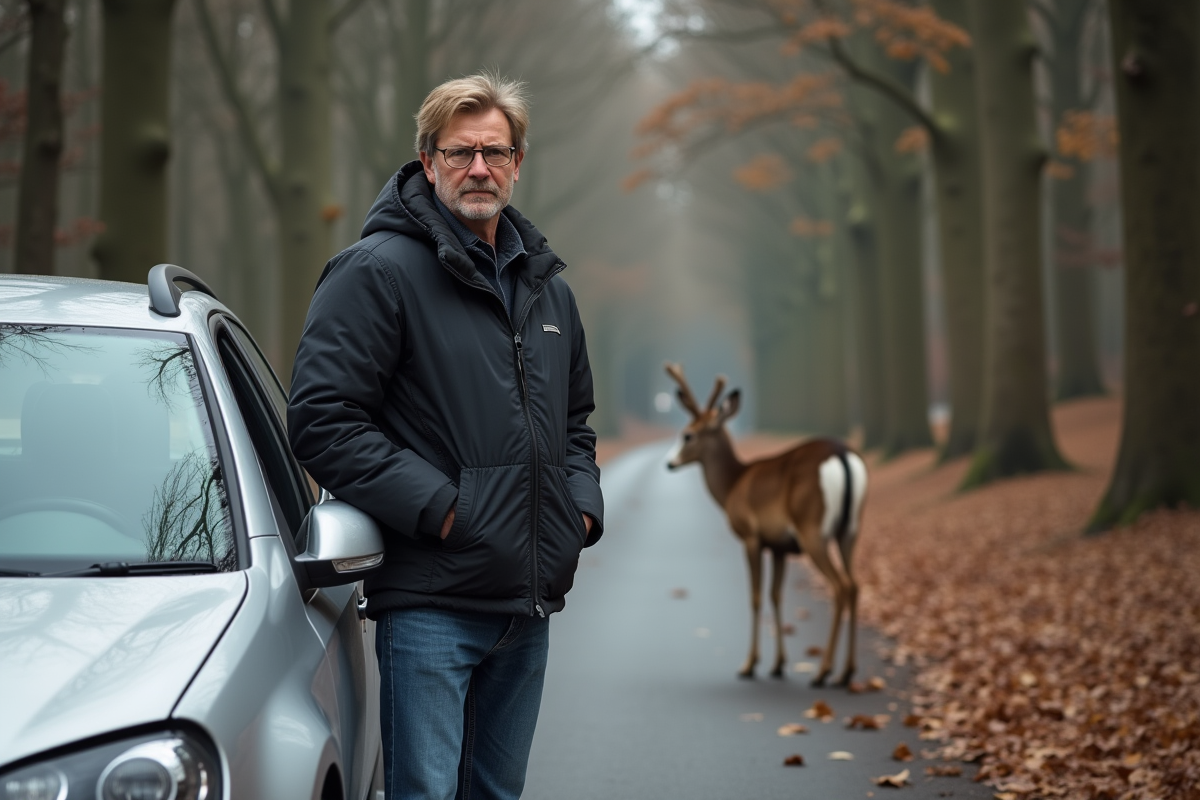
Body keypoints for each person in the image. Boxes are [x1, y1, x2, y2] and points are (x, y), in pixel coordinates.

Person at [287, 73, 603, 800]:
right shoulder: (374, 273)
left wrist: (577, 511)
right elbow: (321, 419)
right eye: (460, 154)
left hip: (526, 613)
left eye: (495, 152)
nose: (479, 169)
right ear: (427, 162)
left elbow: (576, 424)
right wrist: (444, 508)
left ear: (519, 161)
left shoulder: (549, 289)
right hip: (430, 606)